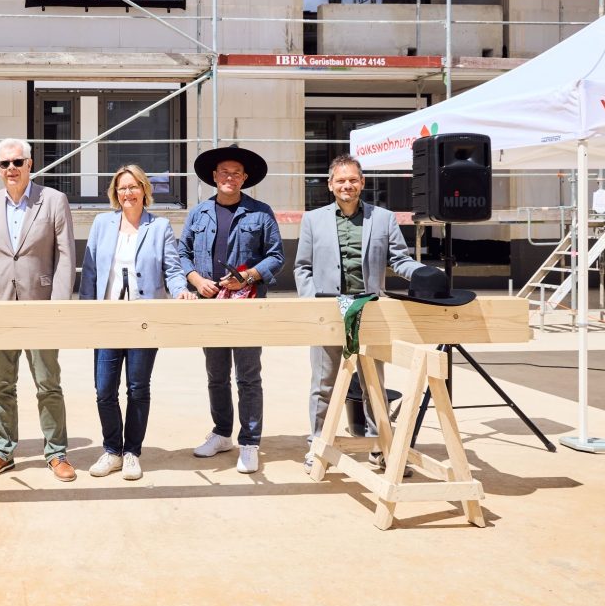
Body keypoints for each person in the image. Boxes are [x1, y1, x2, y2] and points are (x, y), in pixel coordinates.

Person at [294, 153, 425, 473]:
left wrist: (422, 275)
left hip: (370, 312)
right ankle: (318, 442)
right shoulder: (313, 220)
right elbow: (302, 267)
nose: (347, 185)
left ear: (362, 183)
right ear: (330, 185)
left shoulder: (383, 218)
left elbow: (399, 259)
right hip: (328, 313)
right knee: (324, 382)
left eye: (353, 179)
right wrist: (314, 303)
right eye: (340, 180)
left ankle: (380, 446)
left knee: (373, 383)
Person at [0, 138, 77, 483]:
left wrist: (58, 308)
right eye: (4, 164)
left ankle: (56, 452)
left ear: (30, 164)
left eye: (18, 162)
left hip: (40, 306)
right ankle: (2, 451)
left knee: (48, 382)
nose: (11, 169)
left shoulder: (53, 201)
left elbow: (65, 258)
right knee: (1, 383)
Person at [80, 164, 193, 481]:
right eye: (121, 188)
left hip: (144, 318)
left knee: (138, 388)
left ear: (145, 189)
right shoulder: (103, 224)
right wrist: (86, 312)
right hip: (108, 317)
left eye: (133, 187)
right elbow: (90, 271)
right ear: (115, 194)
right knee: (104, 389)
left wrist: (181, 290)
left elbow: (172, 269)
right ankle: (111, 450)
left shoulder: (160, 227)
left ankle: (131, 452)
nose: (127, 193)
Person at [178, 145, 284, 474]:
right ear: (214, 176)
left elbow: (276, 255)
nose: (229, 177)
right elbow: (182, 253)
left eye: (236, 173)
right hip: (210, 305)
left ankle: (250, 441)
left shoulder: (261, 212)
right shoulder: (198, 213)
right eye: (224, 172)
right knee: (216, 374)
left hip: (247, 305)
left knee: (248, 376)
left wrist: (249, 275)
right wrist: (196, 279)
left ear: (245, 178)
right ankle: (222, 433)